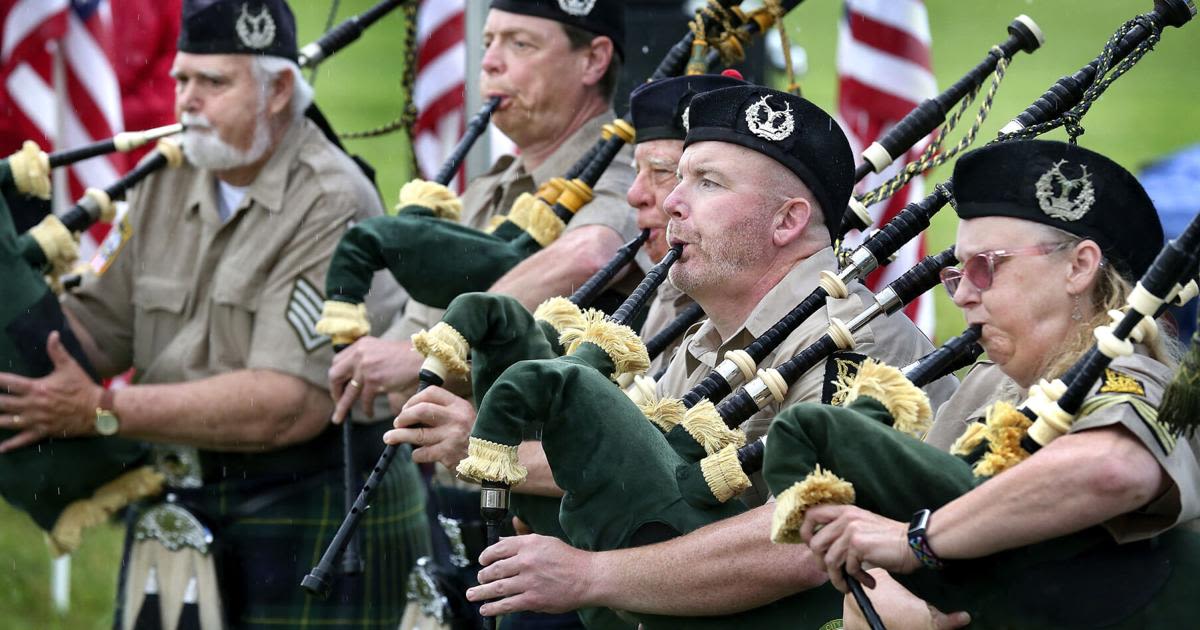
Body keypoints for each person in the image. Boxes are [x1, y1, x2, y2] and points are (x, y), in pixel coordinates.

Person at [0, 1, 427, 627]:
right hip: (188, 491)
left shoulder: (331, 199)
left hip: (316, 507)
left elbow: (287, 403)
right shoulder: (165, 178)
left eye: (213, 82)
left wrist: (99, 410)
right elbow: (99, 330)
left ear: (280, 90)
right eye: (181, 80)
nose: (186, 102)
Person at [465, 85, 958, 619]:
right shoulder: (705, 340)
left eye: (707, 183)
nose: (672, 201)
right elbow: (654, 483)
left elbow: (802, 543)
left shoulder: (854, 343)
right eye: (679, 178)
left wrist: (591, 576)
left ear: (787, 222)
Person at [794, 140, 1198, 628]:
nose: (963, 294)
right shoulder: (985, 387)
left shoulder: (1136, 377)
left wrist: (914, 541)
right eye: (959, 272)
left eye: (986, 266)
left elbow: (1114, 469)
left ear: (1079, 267)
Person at [328, 0, 637, 421]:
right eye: (488, 41)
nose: (489, 62)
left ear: (593, 60)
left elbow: (592, 254)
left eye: (521, 45)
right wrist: (404, 360)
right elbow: (403, 369)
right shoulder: (486, 189)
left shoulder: (630, 175)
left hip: (548, 476)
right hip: (456, 471)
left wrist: (435, 351)